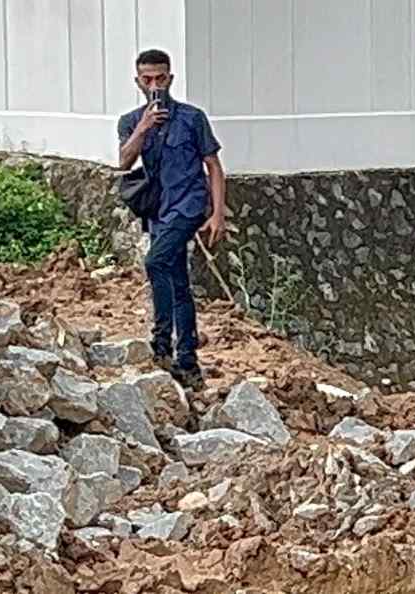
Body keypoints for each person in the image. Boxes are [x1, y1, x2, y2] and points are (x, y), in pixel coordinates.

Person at [117, 49, 227, 391]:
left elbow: (214, 166)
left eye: (160, 79)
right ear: (138, 82)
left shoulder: (192, 118)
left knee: (155, 261)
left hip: (189, 205)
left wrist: (218, 213)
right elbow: (123, 161)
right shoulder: (130, 121)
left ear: (171, 79)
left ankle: (161, 342)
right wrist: (145, 127)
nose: (155, 85)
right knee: (177, 281)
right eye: (147, 80)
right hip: (159, 209)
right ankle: (188, 361)